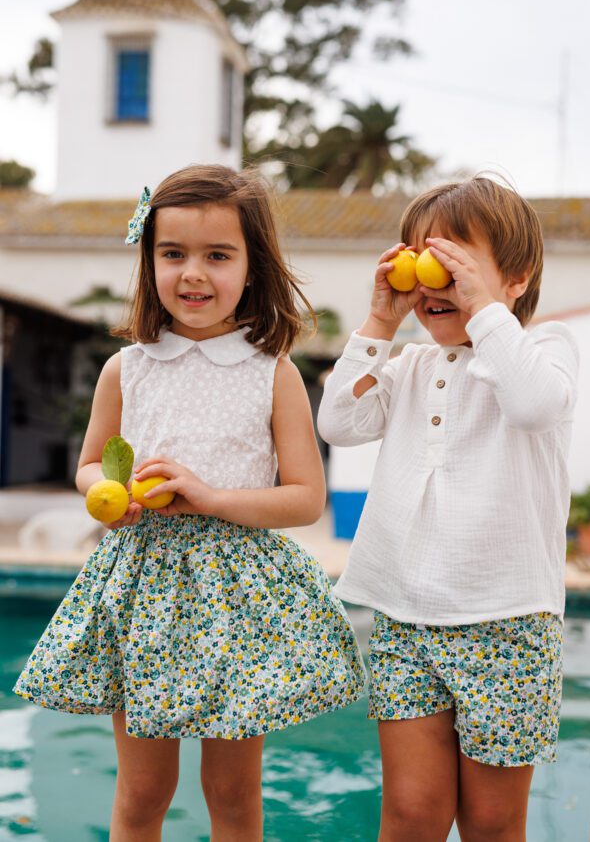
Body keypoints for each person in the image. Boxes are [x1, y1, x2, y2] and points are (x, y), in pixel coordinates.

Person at [14, 164, 365, 842]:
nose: (193, 273)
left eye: (217, 255)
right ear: (148, 261)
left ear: (252, 266)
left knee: (232, 793)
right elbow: (90, 466)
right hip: (142, 588)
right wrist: (105, 499)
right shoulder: (128, 367)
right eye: (172, 254)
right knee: (143, 791)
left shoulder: (275, 372)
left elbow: (303, 498)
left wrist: (209, 498)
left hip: (234, 597)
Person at [317, 176, 579, 842]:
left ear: (516, 279)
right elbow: (339, 422)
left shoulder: (543, 352)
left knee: (491, 821)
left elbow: (532, 404)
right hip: (406, 619)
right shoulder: (407, 365)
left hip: (508, 623)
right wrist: (381, 318)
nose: (433, 278)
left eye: (454, 261)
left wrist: (485, 311)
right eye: (420, 257)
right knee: (410, 813)